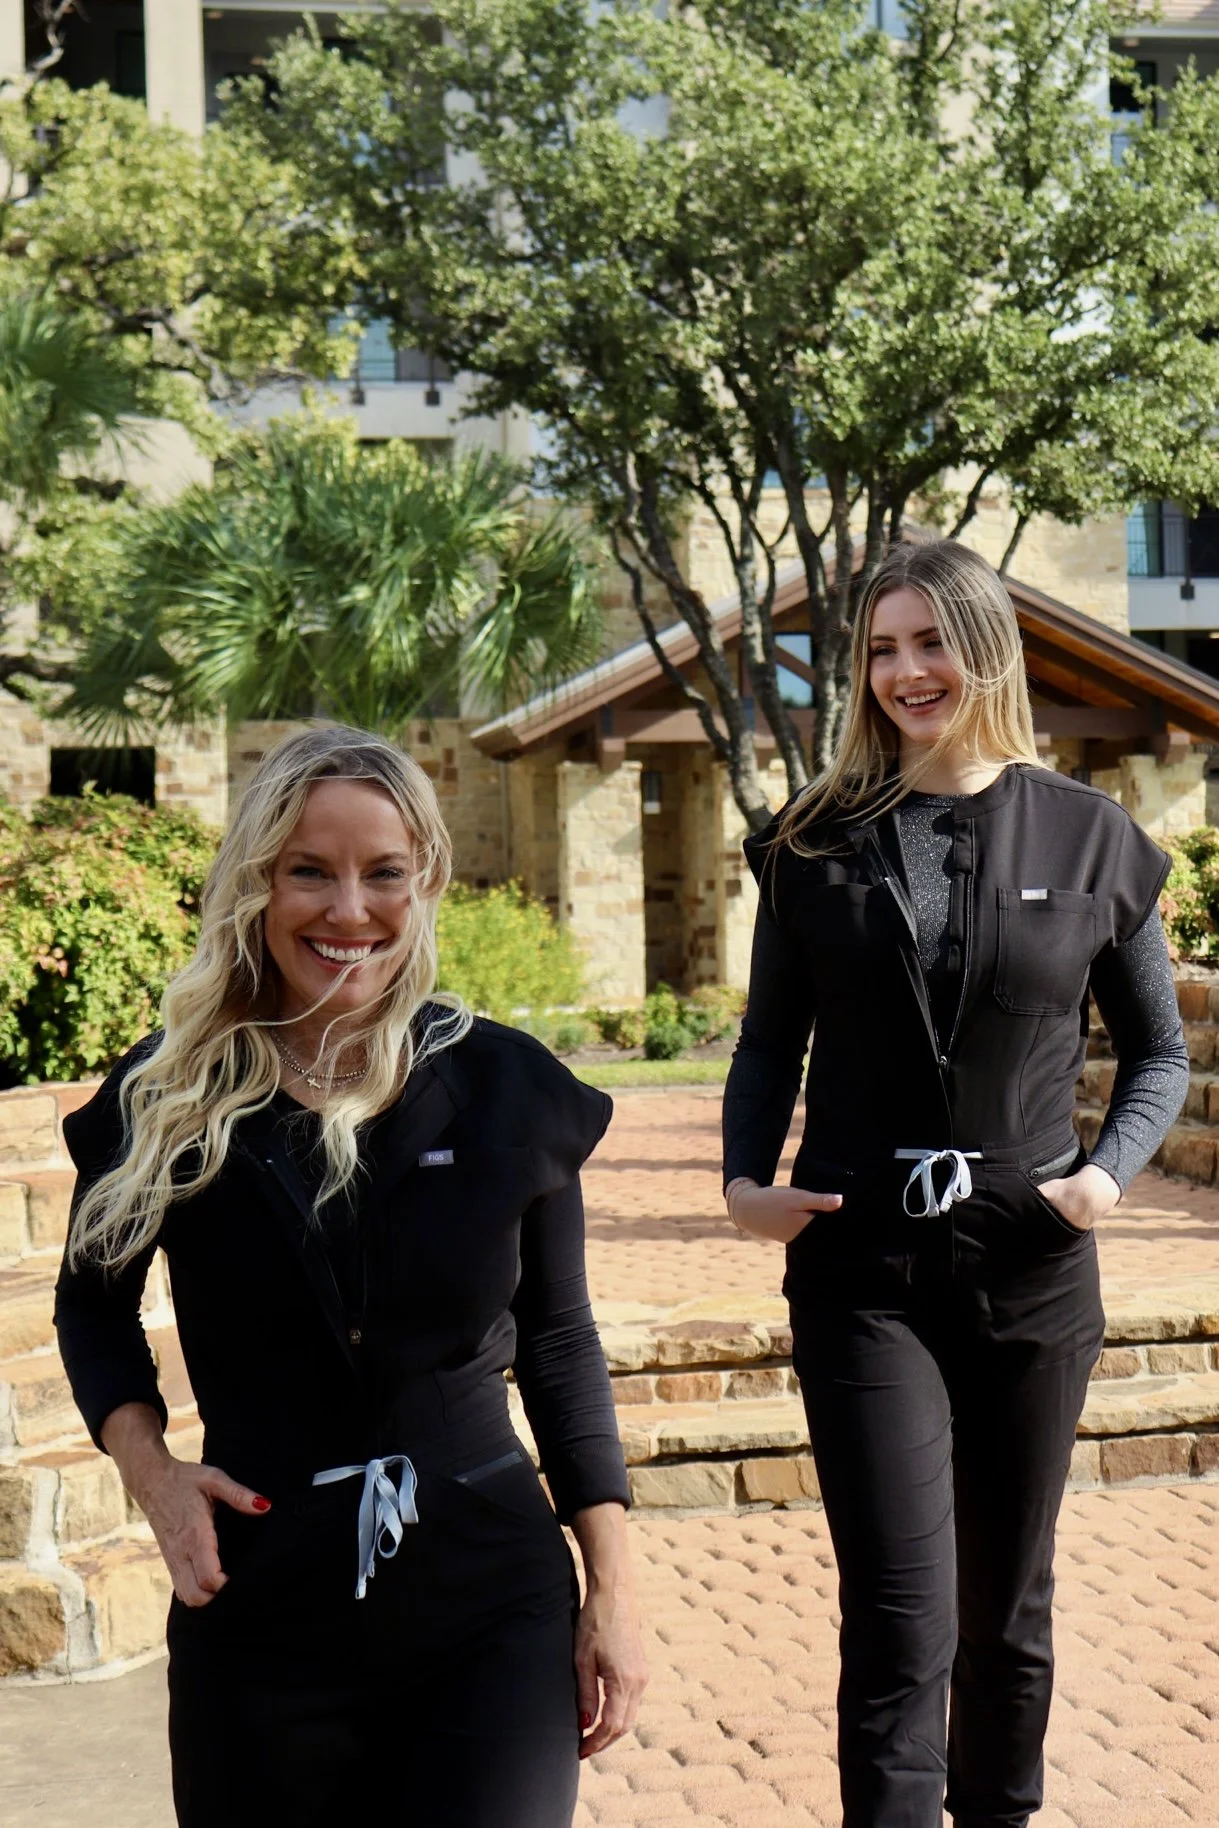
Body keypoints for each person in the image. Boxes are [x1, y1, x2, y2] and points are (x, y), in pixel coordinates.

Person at [54, 725, 647, 1828]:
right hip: (260, 1606)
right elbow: (93, 1304)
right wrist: (156, 1474)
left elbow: (559, 1339)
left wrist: (611, 1583)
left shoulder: (505, 1087)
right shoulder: (171, 1096)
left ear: (424, 882)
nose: (348, 910)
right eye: (308, 871)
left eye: (383, 873)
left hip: (488, 1599)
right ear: (255, 884)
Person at [722, 539, 1188, 1828]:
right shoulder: (811, 840)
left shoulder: (1093, 840)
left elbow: (1158, 1051)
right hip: (862, 1276)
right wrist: (739, 1182)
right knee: (897, 1613)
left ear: (986, 652)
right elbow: (769, 1040)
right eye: (879, 648)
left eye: (930, 643)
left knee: (1008, 1613)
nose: (904, 672)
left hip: (1032, 1274)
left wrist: (1097, 1183)